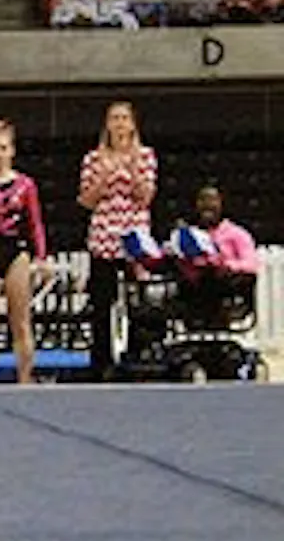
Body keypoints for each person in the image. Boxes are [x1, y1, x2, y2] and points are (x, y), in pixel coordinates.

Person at [77, 101, 157, 381]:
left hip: (134, 233)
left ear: (133, 124)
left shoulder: (146, 156)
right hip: (104, 233)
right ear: (107, 124)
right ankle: (101, 361)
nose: (120, 123)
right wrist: (104, 176)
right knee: (102, 302)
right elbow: (86, 199)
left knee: (137, 299)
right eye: (114, 118)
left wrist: (131, 166)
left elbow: (146, 195)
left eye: (124, 118)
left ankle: (137, 355)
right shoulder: (93, 158)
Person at [0, 121, 49, 385]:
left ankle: (25, 379)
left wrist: (41, 257)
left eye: (2, 148)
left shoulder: (25, 185)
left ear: (12, 151)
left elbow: (35, 224)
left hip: (16, 251)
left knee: (21, 322)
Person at [173, 185, 259, 328]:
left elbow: (251, 265)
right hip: (192, 288)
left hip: (224, 286)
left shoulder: (237, 234)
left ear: (221, 204)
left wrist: (226, 264)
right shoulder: (190, 234)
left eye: (212, 200)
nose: (207, 204)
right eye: (202, 200)